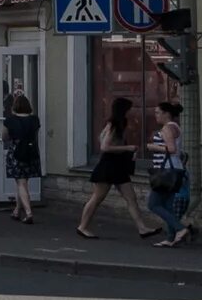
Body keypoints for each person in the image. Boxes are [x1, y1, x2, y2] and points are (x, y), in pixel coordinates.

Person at [78, 96, 162, 239]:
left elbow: (101, 140)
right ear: (123, 110)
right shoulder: (114, 124)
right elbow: (104, 146)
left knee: (131, 198)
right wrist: (127, 147)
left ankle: (142, 228)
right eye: (129, 109)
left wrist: (126, 151)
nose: (131, 112)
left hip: (118, 166)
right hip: (108, 165)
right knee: (97, 198)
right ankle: (82, 226)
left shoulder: (117, 123)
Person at [150, 100, 191, 248]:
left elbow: (172, 149)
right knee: (168, 206)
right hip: (176, 170)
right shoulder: (175, 127)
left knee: (153, 204)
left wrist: (153, 146)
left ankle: (180, 229)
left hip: (167, 172)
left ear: (166, 114)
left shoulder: (167, 128)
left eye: (158, 112)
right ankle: (170, 237)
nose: (155, 115)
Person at [2, 90, 42, 224]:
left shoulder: (10, 120)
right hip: (31, 152)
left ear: (15, 106)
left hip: (17, 152)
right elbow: (35, 135)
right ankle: (17, 211)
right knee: (23, 183)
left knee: (21, 183)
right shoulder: (34, 120)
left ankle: (29, 212)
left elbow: (5, 137)